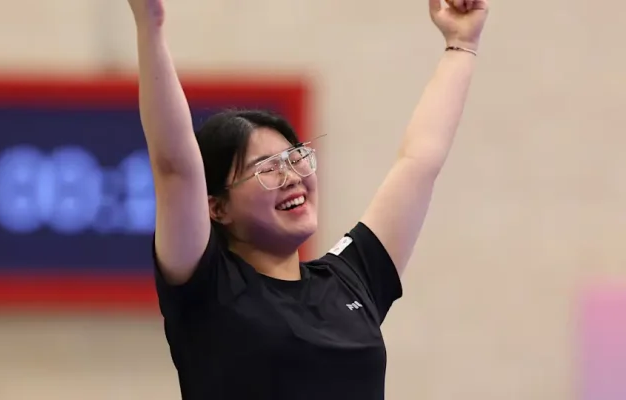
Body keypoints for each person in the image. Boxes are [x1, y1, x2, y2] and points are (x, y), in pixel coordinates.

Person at [127, 0, 489, 398]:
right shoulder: (208, 287)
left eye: (296, 157)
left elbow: (418, 162)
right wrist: (151, 22)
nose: (293, 177)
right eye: (267, 169)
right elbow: (175, 168)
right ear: (217, 207)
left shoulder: (351, 279)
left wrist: (461, 45)